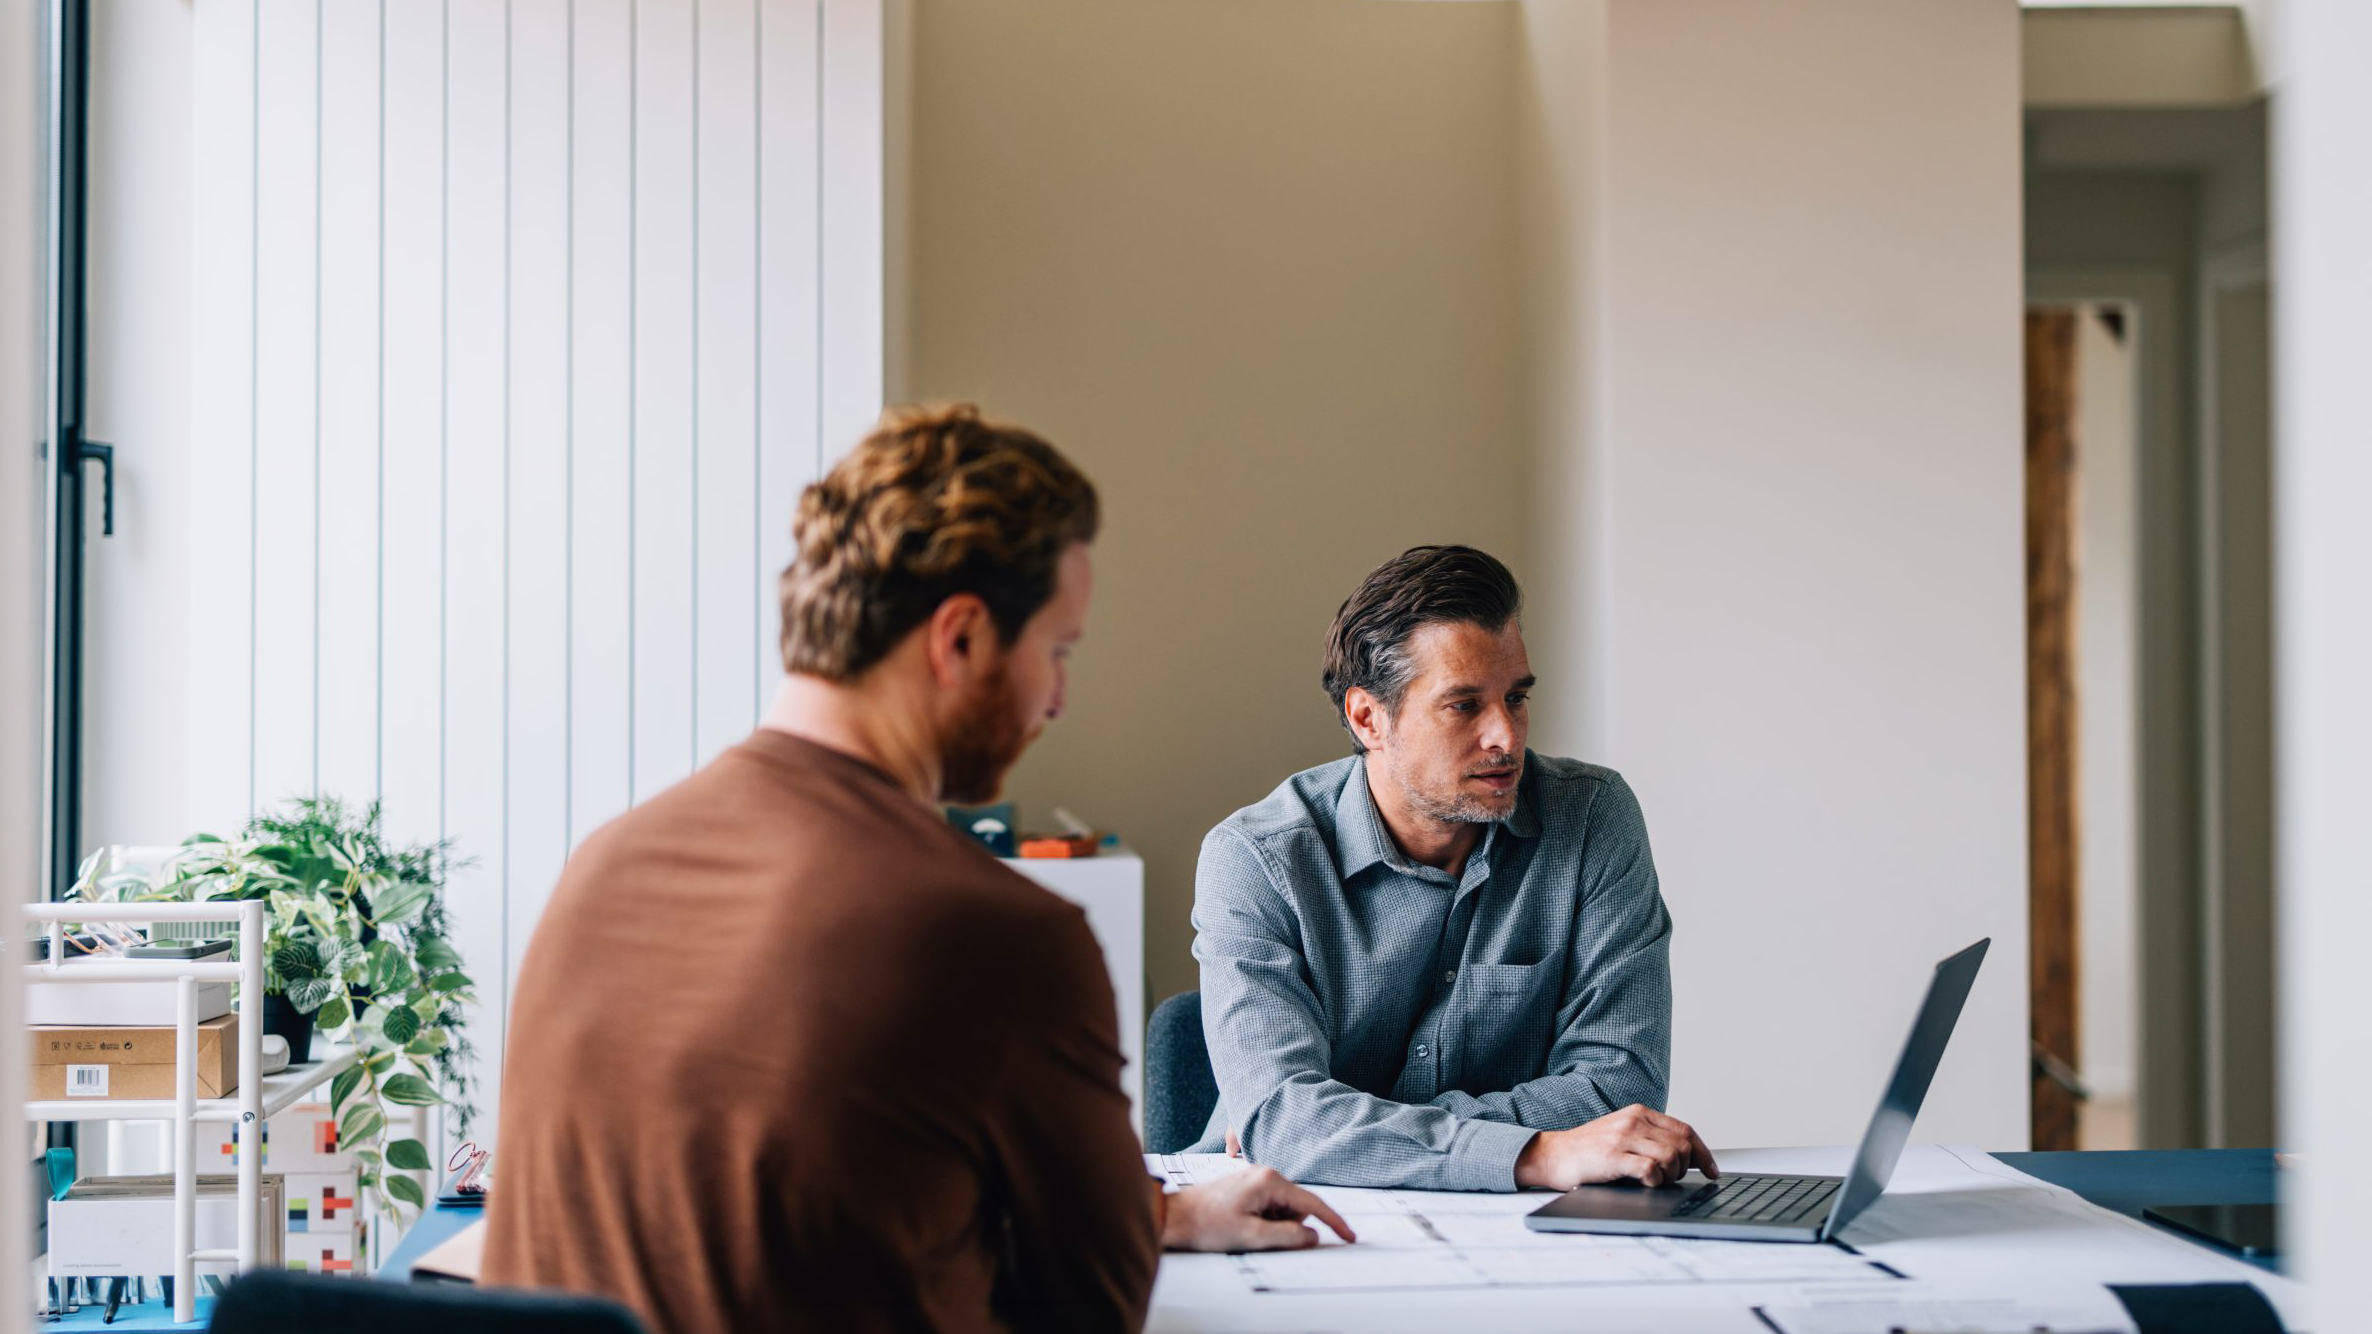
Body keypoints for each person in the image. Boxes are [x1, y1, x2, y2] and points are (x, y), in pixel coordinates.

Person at [483, 404, 1351, 1334]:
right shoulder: (1003, 934)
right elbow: (1090, 1312)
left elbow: (791, 1199)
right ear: (962, 637)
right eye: (1055, 651)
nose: (1056, 697)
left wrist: (1162, 1213)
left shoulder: (606, 864)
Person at [1192, 545, 1719, 1192]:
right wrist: (1535, 1153)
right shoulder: (1256, 860)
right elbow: (1286, 1125)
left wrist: (1345, 1132)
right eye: (1464, 705)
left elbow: (1619, 1087)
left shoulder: (1591, 819)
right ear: (1368, 718)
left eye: (1517, 697)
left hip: (1517, 1226)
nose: (1507, 736)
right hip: (1294, 1209)